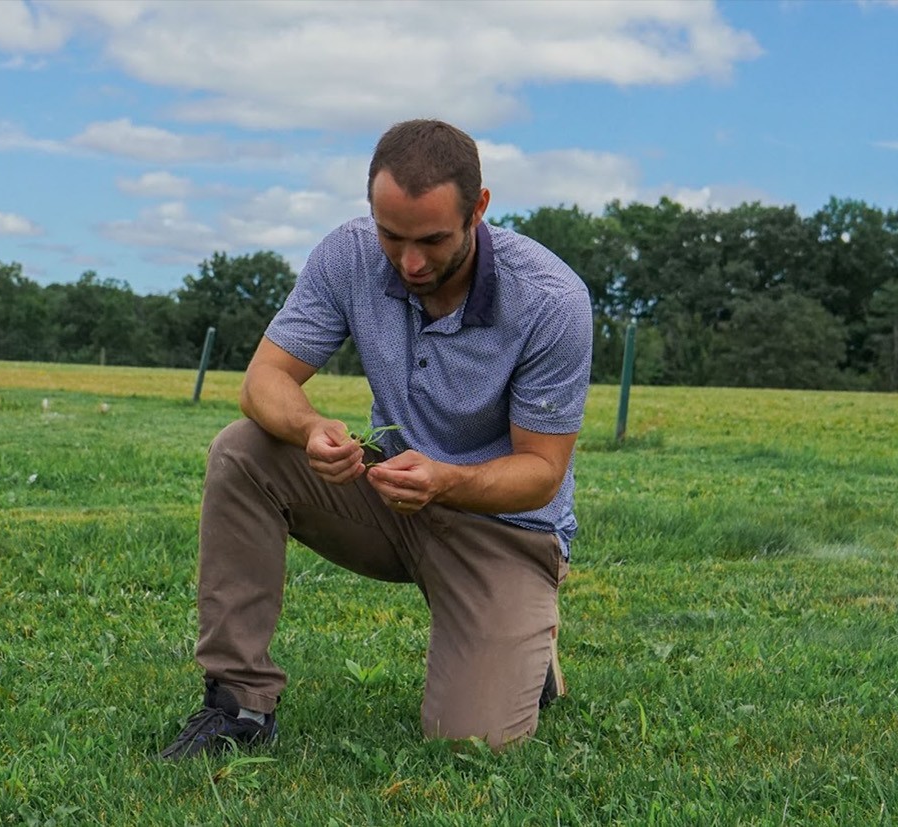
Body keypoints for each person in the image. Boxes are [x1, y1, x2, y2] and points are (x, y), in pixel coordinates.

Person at [158, 119, 593, 758]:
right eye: (392, 235)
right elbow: (264, 381)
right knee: (242, 450)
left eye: (433, 240)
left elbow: (541, 471)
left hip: (505, 529)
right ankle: (238, 703)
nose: (411, 262)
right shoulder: (350, 254)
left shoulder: (551, 302)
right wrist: (310, 429)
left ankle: (530, 648)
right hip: (387, 495)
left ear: (479, 208)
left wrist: (445, 480)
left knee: (468, 744)